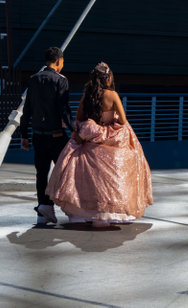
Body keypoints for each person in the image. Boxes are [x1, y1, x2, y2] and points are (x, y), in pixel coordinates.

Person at [46, 62, 153, 227]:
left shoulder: (87, 94)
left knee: (83, 175)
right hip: (110, 138)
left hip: (89, 137)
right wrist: (112, 118)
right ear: (108, 78)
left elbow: (79, 117)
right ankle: (109, 212)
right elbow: (123, 120)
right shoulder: (112, 95)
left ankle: (85, 213)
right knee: (122, 166)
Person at [20, 46, 77, 225]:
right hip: (56, 136)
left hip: (38, 136)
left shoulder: (33, 79)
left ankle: (44, 209)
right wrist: (74, 128)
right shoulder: (61, 80)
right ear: (59, 61)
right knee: (69, 169)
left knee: (41, 173)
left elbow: (27, 109)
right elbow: (64, 109)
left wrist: (24, 135)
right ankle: (74, 209)